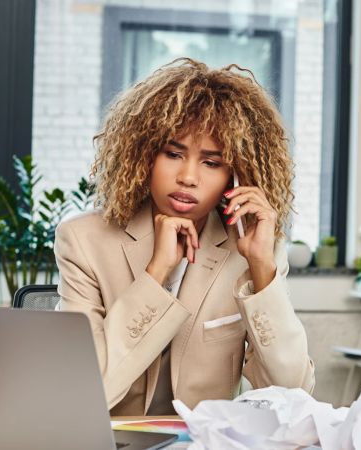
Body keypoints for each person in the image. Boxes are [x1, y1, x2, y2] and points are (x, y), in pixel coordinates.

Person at [54, 58, 315, 416]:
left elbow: (294, 393)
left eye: (211, 163)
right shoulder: (83, 241)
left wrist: (262, 268)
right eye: (173, 154)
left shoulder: (253, 248)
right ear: (144, 154)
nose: (188, 177)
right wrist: (155, 274)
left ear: (235, 173)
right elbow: (85, 393)